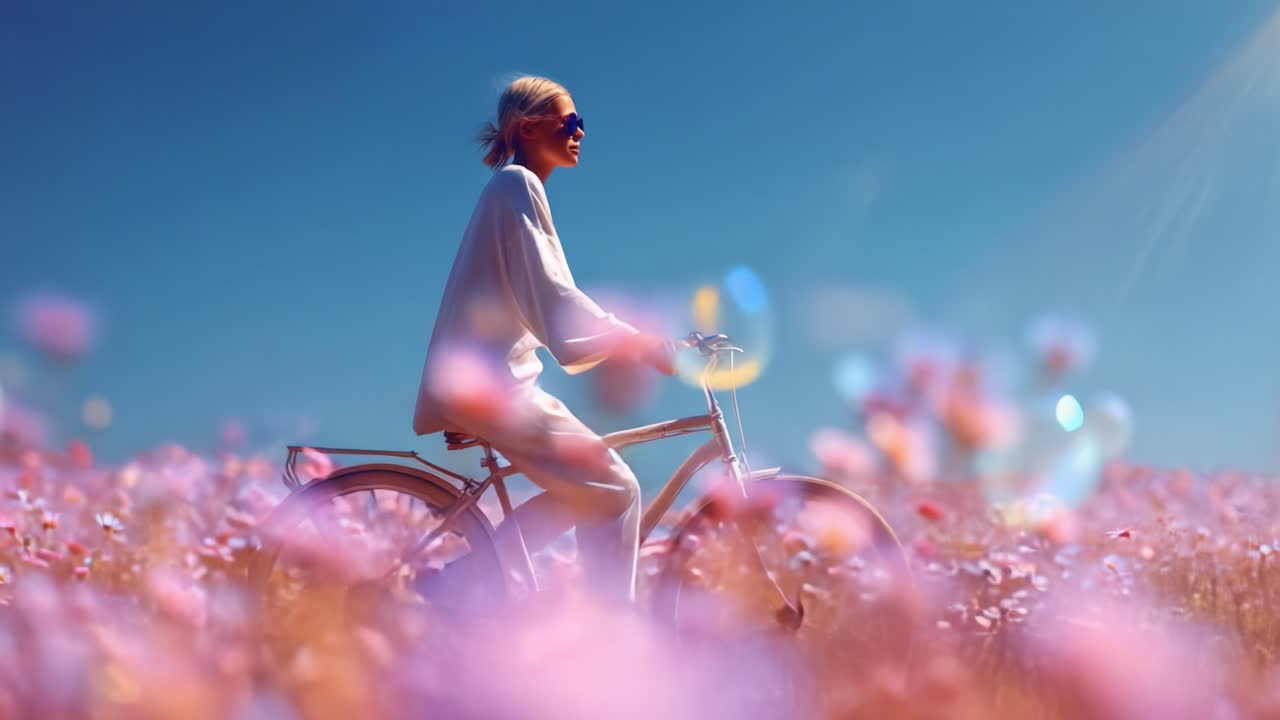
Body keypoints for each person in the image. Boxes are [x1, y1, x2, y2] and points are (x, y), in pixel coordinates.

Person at [412, 75, 676, 604]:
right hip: (497, 385)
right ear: (528, 128)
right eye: (570, 121)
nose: (580, 132)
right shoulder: (517, 185)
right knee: (617, 488)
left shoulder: (509, 189)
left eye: (582, 123)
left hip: (489, 381)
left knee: (590, 486)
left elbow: (541, 295)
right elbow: (554, 294)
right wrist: (639, 342)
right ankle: (610, 632)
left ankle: (460, 582)